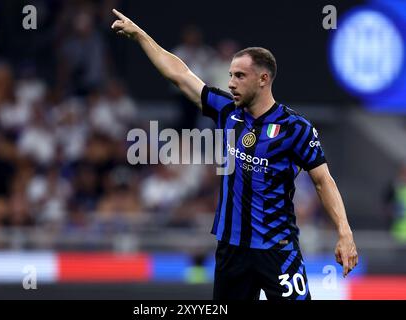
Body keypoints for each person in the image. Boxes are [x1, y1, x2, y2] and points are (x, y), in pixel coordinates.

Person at [111, 9, 358, 300]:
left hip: (277, 250)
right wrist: (140, 35)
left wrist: (345, 232)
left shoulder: (296, 128)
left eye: (240, 76)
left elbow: (322, 181)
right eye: (230, 75)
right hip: (231, 250)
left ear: (263, 79)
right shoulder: (227, 111)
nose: (231, 83)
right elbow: (180, 74)